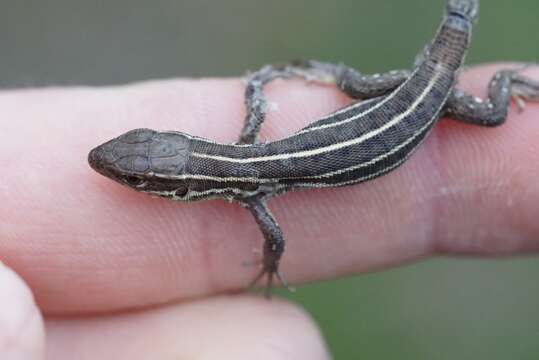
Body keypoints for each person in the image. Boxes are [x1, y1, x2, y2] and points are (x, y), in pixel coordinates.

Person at [1, 64, 538, 359]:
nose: (122, 175)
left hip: (403, 120)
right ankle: (503, 85)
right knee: (406, 91)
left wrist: (270, 261)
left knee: (488, 117)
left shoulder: (254, 191)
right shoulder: (248, 152)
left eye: (140, 179)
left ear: (183, 188)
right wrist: (257, 84)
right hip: (395, 108)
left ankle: (505, 86)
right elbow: (256, 107)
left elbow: (276, 240)